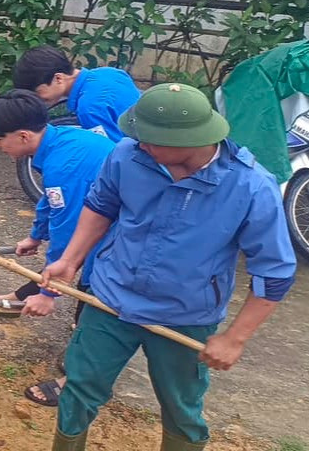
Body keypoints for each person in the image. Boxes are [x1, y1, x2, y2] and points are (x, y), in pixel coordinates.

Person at [42, 83, 297, 451]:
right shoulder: (128, 155)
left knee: (182, 408)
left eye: (149, 139)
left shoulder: (251, 187)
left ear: (189, 140)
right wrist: (70, 260)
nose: (139, 143)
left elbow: (272, 273)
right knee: (79, 389)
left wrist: (234, 338)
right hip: (110, 300)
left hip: (185, 315)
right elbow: (101, 205)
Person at [0, 90, 116, 408]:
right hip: (106, 220)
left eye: (0, 139)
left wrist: (49, 294)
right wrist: (36, 236)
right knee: (80, 274)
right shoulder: (58, 140)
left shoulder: (66, 164)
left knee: (96, 296)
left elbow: (69, 239)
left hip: (121, 235)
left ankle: (81, 381)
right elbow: (51, 201)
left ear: (23, 135)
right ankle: (21, 299)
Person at [12, 45, 141, 142]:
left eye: (37, 92)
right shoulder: (109, 72)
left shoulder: (89, 109)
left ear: (58, 78)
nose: (37, 99)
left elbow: (112, 153)